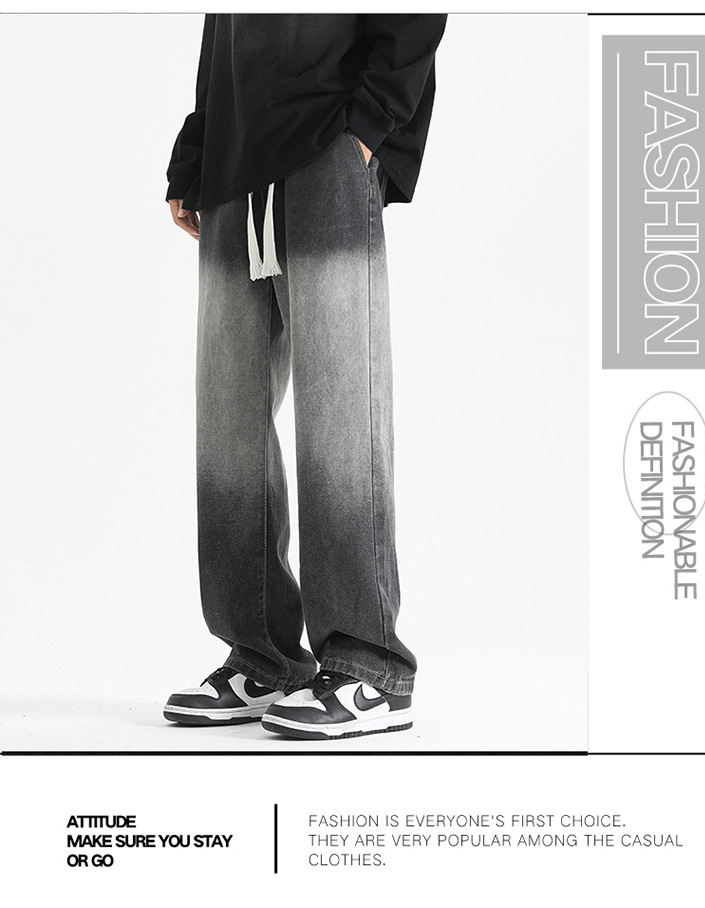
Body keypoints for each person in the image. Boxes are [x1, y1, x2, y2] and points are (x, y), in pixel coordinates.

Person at [162, 13, 447, 740]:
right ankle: (262, 654)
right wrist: (195, 152)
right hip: (233, 159)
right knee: (227, 417)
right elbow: (223, 30)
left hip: (328, 141)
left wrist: (368, 128)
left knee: (340, 408)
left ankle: (368, 664)